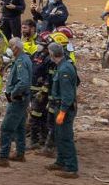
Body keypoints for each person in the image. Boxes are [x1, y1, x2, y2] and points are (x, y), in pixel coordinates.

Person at [47, 41, 80, 177]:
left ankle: (71, 168)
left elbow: (68, 95)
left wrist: (62, 111)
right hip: (59, 105)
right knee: (59, 135)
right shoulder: (65, 65)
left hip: (64, 108)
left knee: (65, 137)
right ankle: (60, 161)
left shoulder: (64, 70)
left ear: (52, 54)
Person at [0, 37, 33, 164]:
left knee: (6, 128)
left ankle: (3, 157)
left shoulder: (20, 62)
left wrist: (13, 93)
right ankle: (20, 153)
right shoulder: (24, 59)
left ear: (16, 48)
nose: (9, 48)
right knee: (20, 127)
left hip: (18, 100)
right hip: (23, 99)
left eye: (10, 45)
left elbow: (23, 82)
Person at [28, 34, 57, 153]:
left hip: (41, 93)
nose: (38, 45)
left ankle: (36, 141)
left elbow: (49, 78)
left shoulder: (50, 60)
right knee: (38, 116)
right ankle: (41, 139)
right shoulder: (36, 55)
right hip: (32, 90)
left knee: (36, 116)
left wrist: (43, 92)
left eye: (41, 44)